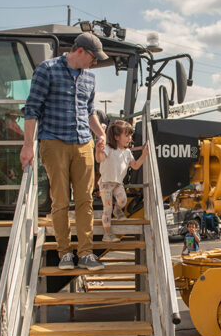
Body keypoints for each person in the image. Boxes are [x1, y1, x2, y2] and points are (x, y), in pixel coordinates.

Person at [21, 32, 109, 271]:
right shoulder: (46, 69)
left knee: (85, 200)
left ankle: (86, 252)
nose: (95, 62)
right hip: (54, 142)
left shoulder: (89, 78)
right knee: (60, 201)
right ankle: (64, 252)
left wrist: (100, 134)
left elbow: (89, 110)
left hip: (83, 143)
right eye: (93, 57)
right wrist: (28, 145)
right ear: (80, 51)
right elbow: (32, 109)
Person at [95, 120, 148, 242]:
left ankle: (117, 210)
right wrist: (98, 150)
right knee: (107, 209)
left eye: (130, 135)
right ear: (116, 137)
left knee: (123, 200)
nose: (129, 138)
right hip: (106, 183)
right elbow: (99, 159)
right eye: (126, 135)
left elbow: (135, 165)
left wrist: (144, 155)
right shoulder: (109, 148)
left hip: (118, 183)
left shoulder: (128, 152)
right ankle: (107, 234)